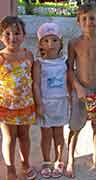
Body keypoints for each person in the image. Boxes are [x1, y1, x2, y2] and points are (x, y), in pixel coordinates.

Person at [65, 3, 96, 178]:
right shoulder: (74, 43)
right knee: (75, 127)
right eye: (84, 19)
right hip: (80, 92)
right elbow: (69, 68)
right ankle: (70, 159)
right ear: (78, 21)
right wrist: (77, 88)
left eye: (92, 18)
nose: (88, 22)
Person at [0, 16, 37, 180]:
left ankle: (25, 163)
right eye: (7, 34)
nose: (12, 37)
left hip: (26, 105)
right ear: (1, 37)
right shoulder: (0, 57)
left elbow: (34, 80)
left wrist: (38, 102)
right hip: (5, 107)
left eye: (17, 33)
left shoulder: (29, 55)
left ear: (24, 35)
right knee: (9, 138)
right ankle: (10, 168)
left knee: (24, 136)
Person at [33, 22, 71, 178]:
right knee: (46, 135)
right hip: (45, 104)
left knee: (59, 134)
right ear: (41, 43)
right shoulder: (38, 63)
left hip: (61, 103)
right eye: (46, 40)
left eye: (54, 40)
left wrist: (72, 99)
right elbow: (35, 84)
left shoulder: (65, 62)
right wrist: (39, 104)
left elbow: (69, 81)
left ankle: (58, 160)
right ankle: (46, 161)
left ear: (60, 42)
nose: (51, 44)